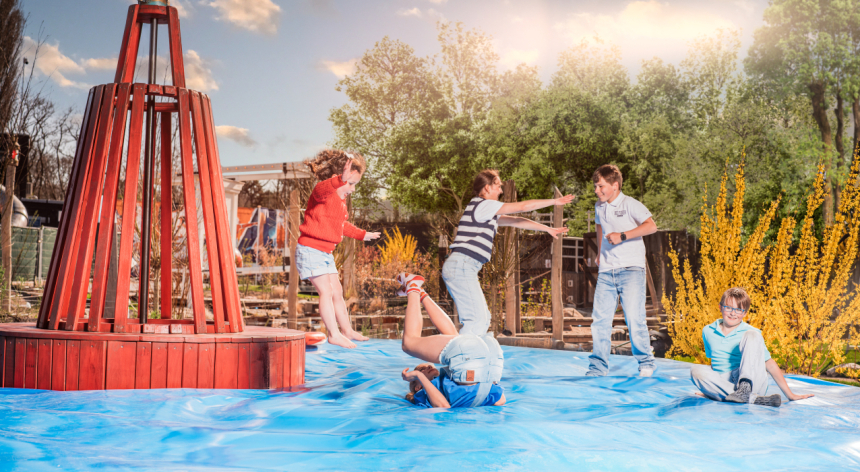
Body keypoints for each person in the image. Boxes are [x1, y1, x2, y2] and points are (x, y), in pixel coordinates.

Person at [444, 169, 574, 335]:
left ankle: (470, 352)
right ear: (486, 188)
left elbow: (518, 221)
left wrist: (548, 229)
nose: (501, 190)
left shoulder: (485, 211)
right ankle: (465, 355)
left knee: (482, 318)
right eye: (497, 186)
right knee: (477, 320)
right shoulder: (483, 205)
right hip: (462, 265)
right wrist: (554, 202)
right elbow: (523, 207)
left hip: (463, 266)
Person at [296, 150, 381, 348]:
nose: (352, 189)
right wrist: (339, 179)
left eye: (354, 184)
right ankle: (333, 334)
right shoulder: (322, 194)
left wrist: (362, 234)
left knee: (338, 292)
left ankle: (347, 330)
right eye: (350, 183)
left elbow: (342, 225)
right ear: (338, 178)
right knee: (326, 291)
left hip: (325, 253)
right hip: (310, 250)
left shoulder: (341, 204)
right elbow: (321, 190)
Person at [587, 164, 658, 377]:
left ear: (615, 185)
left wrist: (623, 235)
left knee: (634, 319)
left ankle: (646, 363)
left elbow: (651, 226)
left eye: (601, 186)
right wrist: (600, 253)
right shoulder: (600, 206)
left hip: (631, 270)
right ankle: (597, 368)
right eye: (595, 186)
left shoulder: (630, 204)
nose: (596, 190)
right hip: (607, 271)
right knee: (600, 321)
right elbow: (600, 226)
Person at [691, 287, 814, 407]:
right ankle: (754, 399)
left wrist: (790, 395)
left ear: (744, 313)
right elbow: (714, 362)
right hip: (726, 382)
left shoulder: (752, 332)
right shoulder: (708, 331)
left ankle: (745, 389)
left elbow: (769, 364)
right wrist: (710, 388)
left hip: (752, 381)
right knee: (695, 371)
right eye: (728, 308)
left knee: (751, 335)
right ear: (720, 307)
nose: (733, 313)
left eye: (739, 310)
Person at [398, 273, 506, 408]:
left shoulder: (449, 383)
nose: (430, 366)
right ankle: (413, 289)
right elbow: (443, 406)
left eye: (425, 367)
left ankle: (419, 291)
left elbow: (500, 399)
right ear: (418, 387)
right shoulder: (423, 394)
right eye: (423, 369)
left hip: (491, 359)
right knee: (409, 344)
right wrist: (418, 375)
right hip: (485, 368)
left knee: (456, 341)